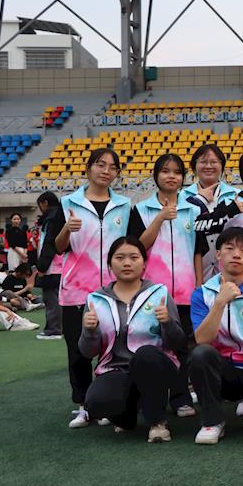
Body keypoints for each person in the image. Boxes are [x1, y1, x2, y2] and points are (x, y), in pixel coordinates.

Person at [51, 147, 131, 428]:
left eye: (112, 166)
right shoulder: (67, 204)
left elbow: (129, 246)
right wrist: (67, 229)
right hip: (76, 291)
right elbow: (57, 247)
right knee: (78, 351)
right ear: (88, 168)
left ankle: (108, 403)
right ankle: (84, 405)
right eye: (100, 164)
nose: (106, 170)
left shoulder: (124, 205)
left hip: (114, 291)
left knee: (112, 349)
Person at [79, 236, 185, 443]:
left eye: (134, 257)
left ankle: (158, 422)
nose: (127, 263)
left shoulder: (159, 293)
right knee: (96, 402)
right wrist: (89, 331)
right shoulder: (96, 300)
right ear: (110, 264)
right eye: (120, 258)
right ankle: (127, 417)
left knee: (145, 355)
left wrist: (167, 323)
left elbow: (177, 342)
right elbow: (87, 352)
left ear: (144, 263)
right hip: (115, 369)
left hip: (155, 365)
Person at [128, 154, 206, 418]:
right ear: (156, 175)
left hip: (185, 291)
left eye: (176, 172)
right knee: (152, 344)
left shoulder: (194, 209)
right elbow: (138, 246)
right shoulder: (140, 209)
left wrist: (198, 284)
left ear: (183, 177)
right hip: (151, 292)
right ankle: (153, 398)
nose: (171, 176)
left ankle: (181, 397)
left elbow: (198, 250)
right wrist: (160, 217)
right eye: (165, 171)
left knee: (182, 345)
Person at [189, 227, 243, 444]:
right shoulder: (202, 294)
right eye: (229, 249)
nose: (236, 255)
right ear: (218, 254)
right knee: (200, 354)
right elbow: (202, 339)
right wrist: (219, 302)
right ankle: (212, 421)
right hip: (220, 370)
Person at [195, 151, 243, 287]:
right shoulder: (228, 202)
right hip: (233, 280)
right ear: (242, 176)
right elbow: (200, 226)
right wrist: (229, 211)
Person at [181, 143, 239, 280]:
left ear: (222, 165)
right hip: (194, 269)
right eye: (203, 162)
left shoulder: (236, 195)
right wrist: (199, 200)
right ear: (194, 166)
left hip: (231, 269)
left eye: (214, 162)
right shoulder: (182, 197)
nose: (208, 166)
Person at [34, 191, 65, 340]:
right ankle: (59, 328)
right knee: (59, 297)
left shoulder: (51, 219)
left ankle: (54, 329)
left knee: (51, 298)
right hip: (60, 263)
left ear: (45, 203)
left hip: (53, 264)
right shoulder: (60, 215)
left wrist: (42, 265)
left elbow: (48, 243)